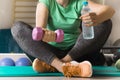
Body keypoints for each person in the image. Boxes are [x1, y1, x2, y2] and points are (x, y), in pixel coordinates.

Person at [11, 0, 115, 77]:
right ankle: (60, 66)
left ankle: (61, 63)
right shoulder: (46, 2)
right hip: (49, 54)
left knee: (105, 22)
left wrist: (96, 18)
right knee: (17, 28)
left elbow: (110, 10)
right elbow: (39, 31)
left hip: (76, 52)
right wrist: (45, 35)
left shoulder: (79, 2)